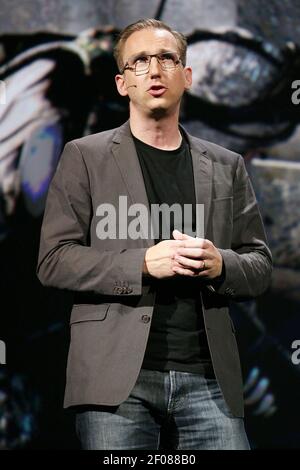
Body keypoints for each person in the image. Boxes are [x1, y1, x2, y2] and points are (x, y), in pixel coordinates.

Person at [36, 18, 272, 450]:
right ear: (122, 83)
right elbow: (53, 261)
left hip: (209, 378)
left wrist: (221, 264)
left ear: (187, 76)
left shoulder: (225, 164)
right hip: (115, 380)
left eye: (167, 58)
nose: (155, 70)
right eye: (140, 61)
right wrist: (141, 264)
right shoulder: (84, 157)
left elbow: (259, 267)